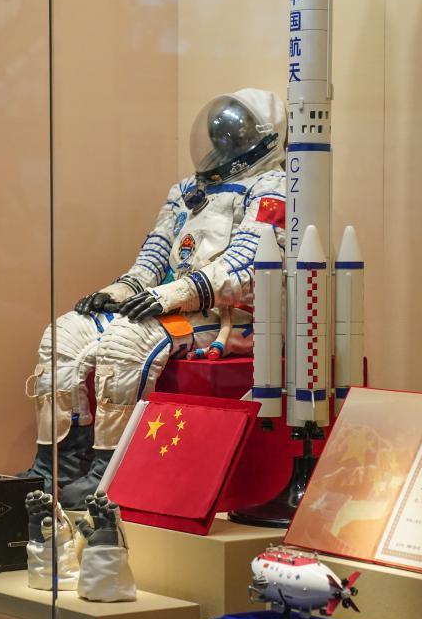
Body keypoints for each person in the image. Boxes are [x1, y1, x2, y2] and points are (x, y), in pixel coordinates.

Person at [22, 88, 288, 508]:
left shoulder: (274, 187)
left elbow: (245, 265)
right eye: (219, 135)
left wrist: (177, 293)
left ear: (262, 138)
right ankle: (57, 463)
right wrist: (119, 291)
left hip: (227, 316)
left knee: (125, 341)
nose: (224, 143)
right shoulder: (186, 191)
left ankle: (108, 469)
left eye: (235, 136)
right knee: (65, 334)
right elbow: (154, 255)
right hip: (170, 303)